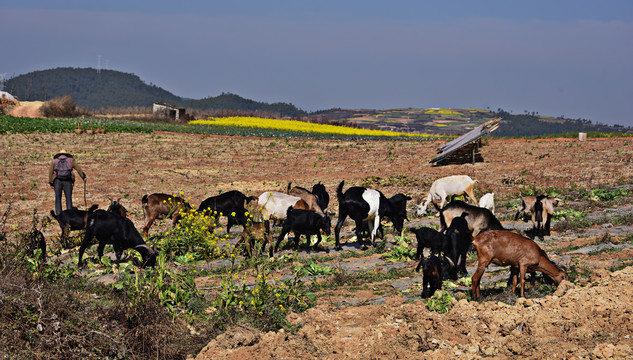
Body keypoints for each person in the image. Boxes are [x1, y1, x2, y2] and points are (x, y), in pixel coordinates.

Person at [49, 150, 87, 216]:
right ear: (66, 155)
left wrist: (51, 183)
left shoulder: (54, 161)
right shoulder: (71, 160)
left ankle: (59, 214)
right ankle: (70, 214)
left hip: (57, 181)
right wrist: (83, 177)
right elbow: (78, 168)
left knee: (58, 197)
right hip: (68, 181)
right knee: (68, 198)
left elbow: (50, 173)